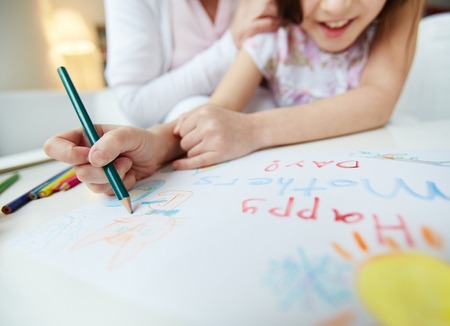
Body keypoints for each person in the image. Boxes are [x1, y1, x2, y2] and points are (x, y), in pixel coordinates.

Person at [44, 0, 423, 196]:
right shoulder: (271, 32)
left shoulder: (401, 12)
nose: (338, 7)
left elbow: (377, 99)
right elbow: (217, 113)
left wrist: (253, 130)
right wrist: (157, 144)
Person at [104, 0, 279, 127]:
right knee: (190, 110)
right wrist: (232, 44)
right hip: (188, 136)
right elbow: (136, 104)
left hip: (272, 122)